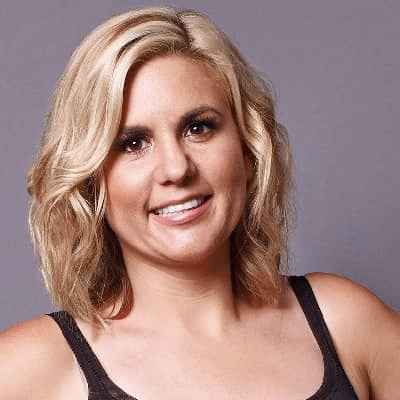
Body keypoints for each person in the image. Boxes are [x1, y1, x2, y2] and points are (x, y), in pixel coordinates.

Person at [0, 6, 398, 399]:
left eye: (198, 127)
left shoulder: (348, 326)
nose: (176, 168)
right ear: (91, 180)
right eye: (133, 143)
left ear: (247, 148)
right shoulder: (32, 369)